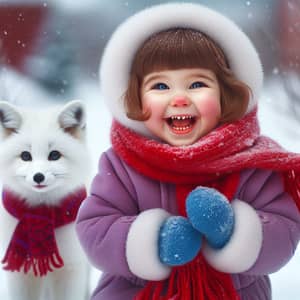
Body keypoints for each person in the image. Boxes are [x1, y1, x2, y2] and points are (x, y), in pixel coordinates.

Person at [76, 3, 300, 300]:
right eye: (160, 86)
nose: (179, 98)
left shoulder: (253, 163)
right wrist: (153, 240)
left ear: (226, 93)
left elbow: (283, 233)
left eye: (197, 84)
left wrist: (232, 230)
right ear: (135, 99)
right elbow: (95, 229)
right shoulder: (122, 165)